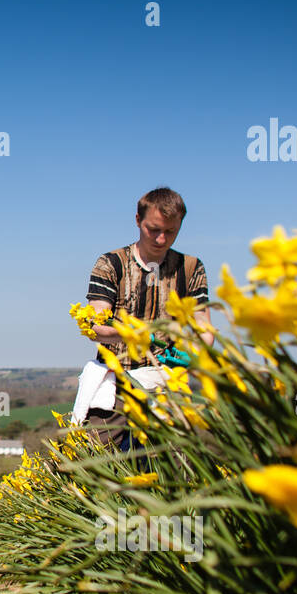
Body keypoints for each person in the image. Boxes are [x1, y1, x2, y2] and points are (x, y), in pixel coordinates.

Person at [80, 187, 214, 450]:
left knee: (175, 467)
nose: (162, 239)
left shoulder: (191, 267)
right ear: (138, 220)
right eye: (153, 229)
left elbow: (204, 327)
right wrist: (132, 335)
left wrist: (195, 353)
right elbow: (93, 325)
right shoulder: (111, 264)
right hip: (115, 385)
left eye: (171, 231)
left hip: (169, 384)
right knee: (93, 465)